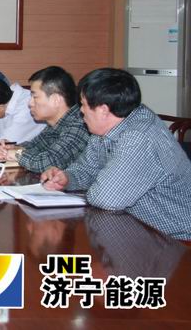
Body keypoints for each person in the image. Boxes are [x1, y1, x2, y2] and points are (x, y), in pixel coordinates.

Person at [42, 68, 191, 240]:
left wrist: (97, 183)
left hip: (176, 241)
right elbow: (86, 169)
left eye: (83, 104)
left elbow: (106, 198)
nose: (80, 111)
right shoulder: (106, 128)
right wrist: (67, 178)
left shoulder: (139, 137)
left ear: (103, 110)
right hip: (137, 228)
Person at [0, 66, 90, 172]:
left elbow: (48, 163)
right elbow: (35, 146)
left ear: (55, 100)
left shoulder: (79, 124)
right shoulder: (54, 124)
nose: (30, 103)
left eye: (35, 97)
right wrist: (13, 148)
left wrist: (17, 154)